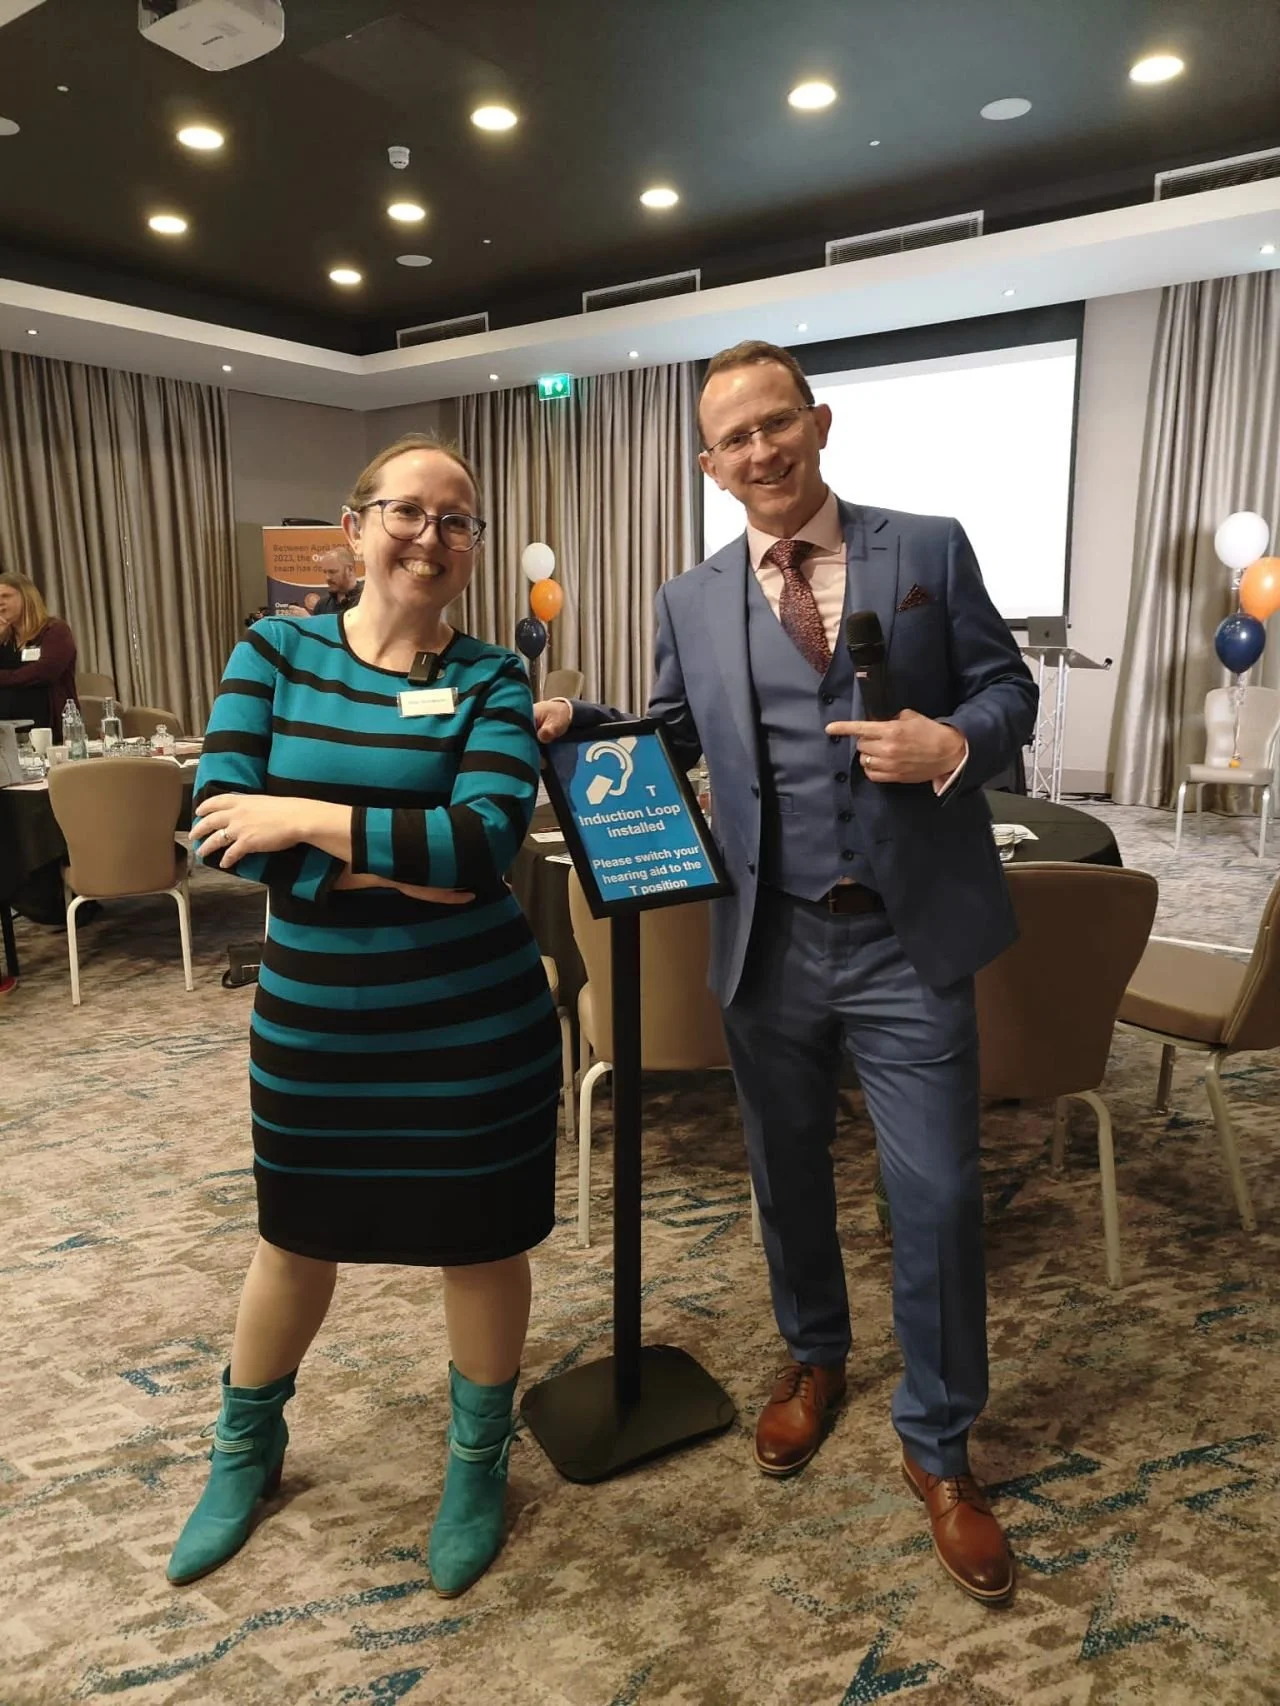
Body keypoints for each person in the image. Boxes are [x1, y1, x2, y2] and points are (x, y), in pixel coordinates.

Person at [535, 341, 1037, 1604]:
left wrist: (948, 741)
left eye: (776, 424)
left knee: (936, 1197)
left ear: (818, 421)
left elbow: (1006, 687)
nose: (759, 452)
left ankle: (938, 1441)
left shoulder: (922, 546)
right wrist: (580, 729)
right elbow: (675, 730)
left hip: (903, 933)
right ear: (708, 465)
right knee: (783, 1173)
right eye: (732, 440)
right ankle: (813, 1357)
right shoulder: (688, 595)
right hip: (766, 940)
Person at [168, 433, 562, 1597]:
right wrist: (370, 843)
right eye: (408, 511)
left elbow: (482, 844)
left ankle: (475, 1465)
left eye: (458, 520)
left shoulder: (493, 675)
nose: (431, 536)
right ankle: (245, 1450)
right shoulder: (272, 649)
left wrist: (305, 817)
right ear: (355, 528)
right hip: (317, 1018)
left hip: (471, 1021)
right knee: (295, 1234)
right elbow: (216, 822)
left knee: (479, 1240)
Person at [0, 572, 79, 732]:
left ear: (26, 597)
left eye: (5, 596)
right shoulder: (5, 638)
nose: (0, 602)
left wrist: (4, 677)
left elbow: (44, 672)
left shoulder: (55, 630)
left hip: (47, 727)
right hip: (7, 730)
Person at [308, 544, 363, 615]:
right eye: (325, 572)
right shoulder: (322, 605)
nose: (327, 578)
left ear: (350, 570)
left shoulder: (367, 600)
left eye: (332, 572)